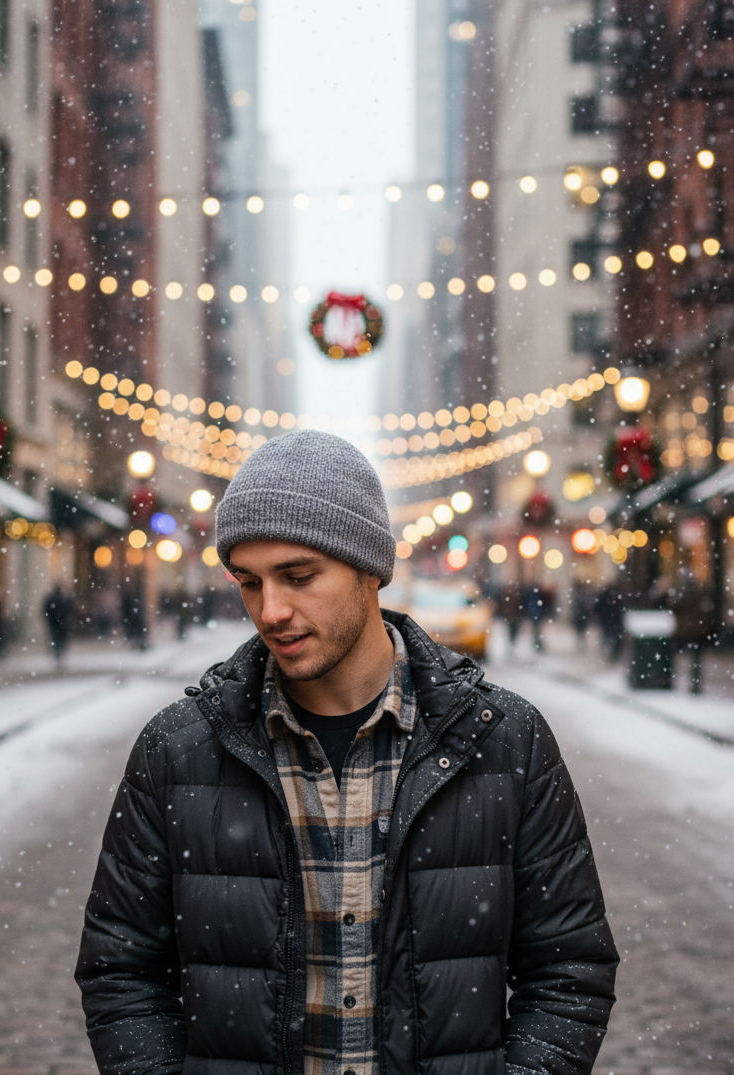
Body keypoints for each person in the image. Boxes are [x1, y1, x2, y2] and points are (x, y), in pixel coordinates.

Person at [76, 431, 618, 1075]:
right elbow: (121, 971)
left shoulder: (505, 741)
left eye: (298, 576)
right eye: (249, 582)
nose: (270, 610)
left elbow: (569, 967)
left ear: (370, 567)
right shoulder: (177, 750)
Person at [42, 584, 73, 663]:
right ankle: (58, 654)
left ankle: (58, 654)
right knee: (59, 640)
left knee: (57, 640)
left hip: (56, 624)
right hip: (59, 624)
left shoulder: (52, 599)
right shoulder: (61, 599)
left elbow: (45, 610)